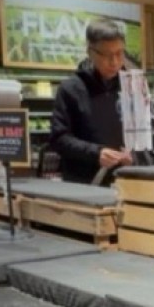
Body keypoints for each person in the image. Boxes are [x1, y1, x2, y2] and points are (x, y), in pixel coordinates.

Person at [50, 19, 129, 184]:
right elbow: (59, 139)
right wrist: (96, 153)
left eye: (119, 53)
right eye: (107, 55)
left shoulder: (132, 87)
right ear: (90, 52)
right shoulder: (70, 89)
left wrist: (138, 154)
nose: (114, 62)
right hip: (83, 184)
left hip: (127, 180)